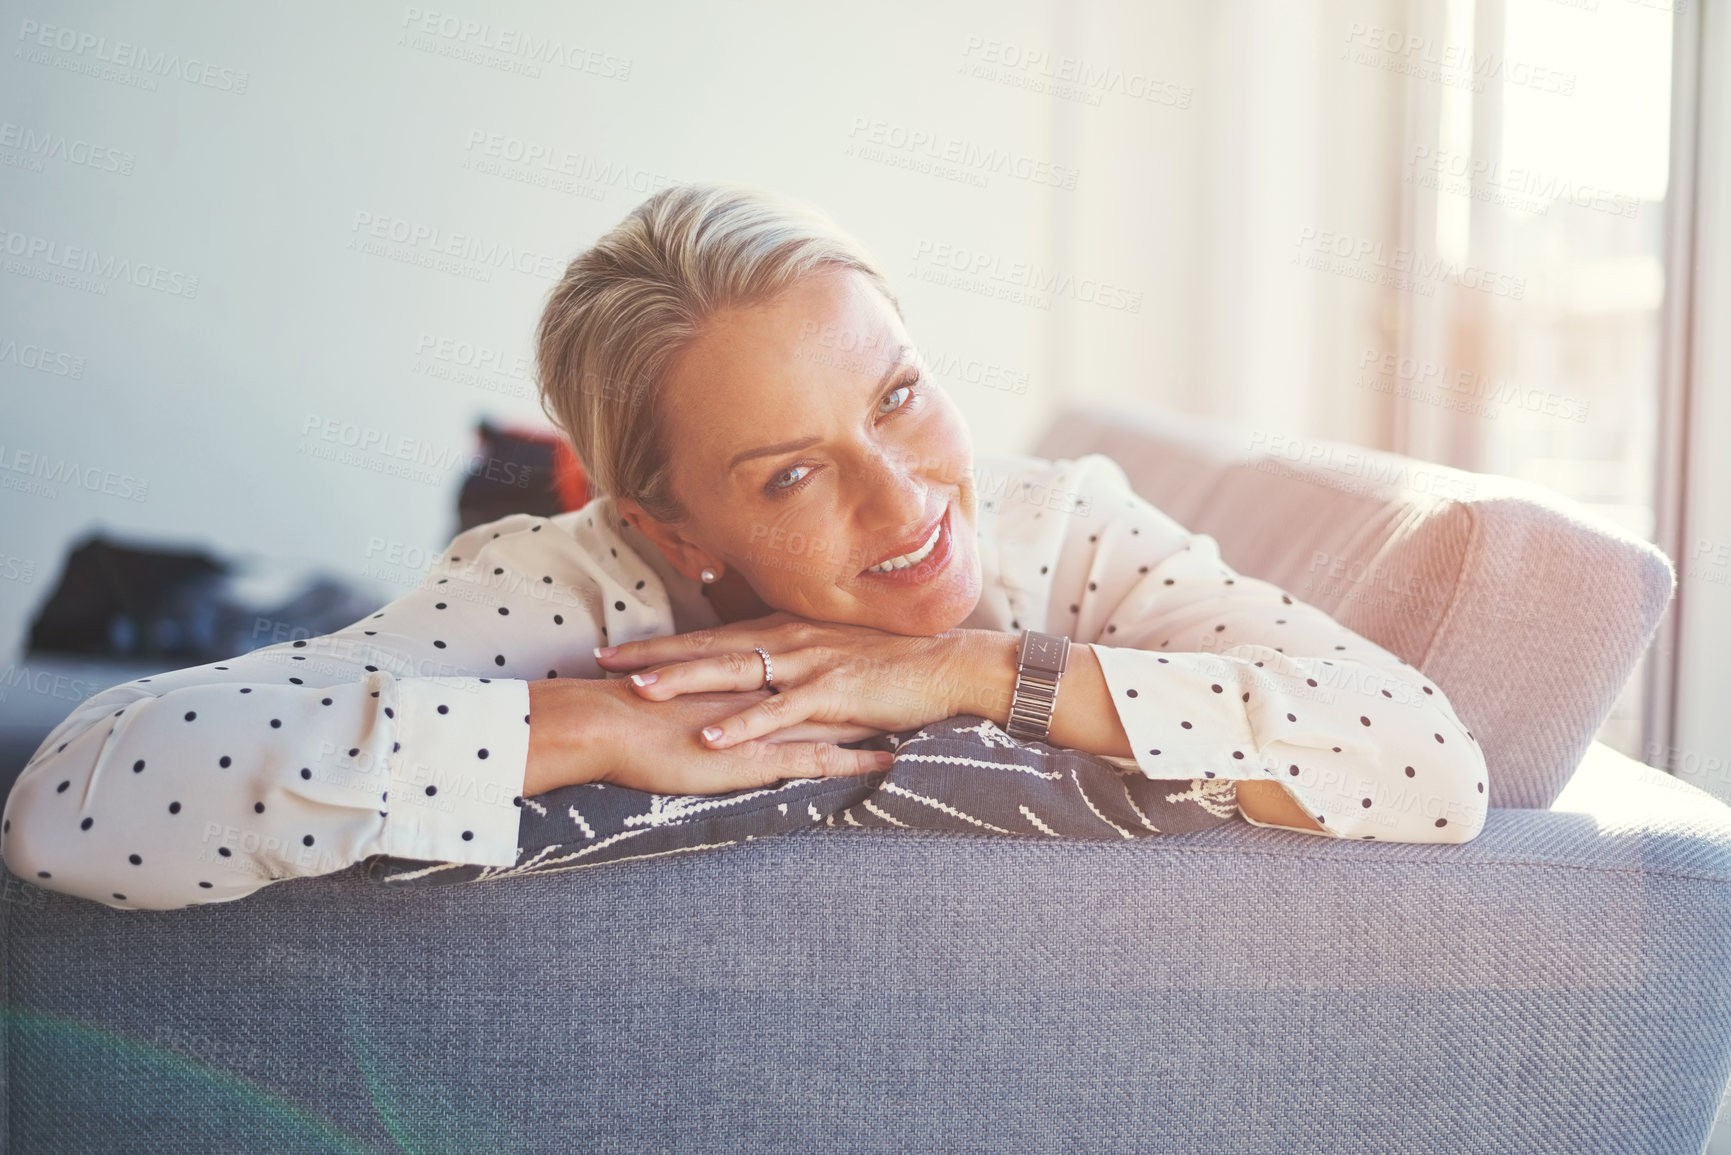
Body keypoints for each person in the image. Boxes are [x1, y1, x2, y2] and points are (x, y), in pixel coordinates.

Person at [0, 183, 1490, 910]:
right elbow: (71, 805)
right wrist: (581, 727)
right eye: (791, 476)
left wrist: (974, 675)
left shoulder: (1057, 521)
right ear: (662, 523)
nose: (907, 503)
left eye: (900, 396)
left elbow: (1430, 766)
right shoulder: (569, 577)